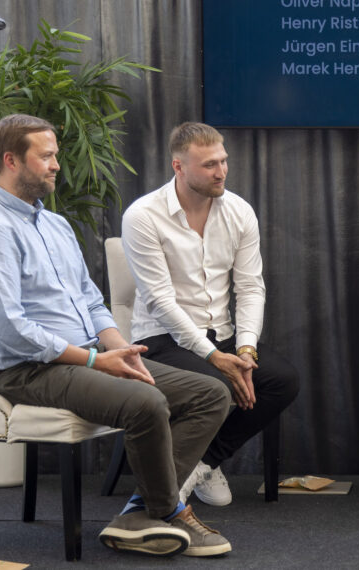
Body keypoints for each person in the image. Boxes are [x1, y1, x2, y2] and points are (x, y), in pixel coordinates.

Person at [0, 114, 232, 557]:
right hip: (24, 369)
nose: (56, 165)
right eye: (45, 156)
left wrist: (121, 349)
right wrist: (93, 361)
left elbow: (91, 301)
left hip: (87, 355)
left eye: (55, 155)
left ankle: (142, 512)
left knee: (211, 393)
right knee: (146, 402)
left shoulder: (56, 226)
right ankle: (170, 512)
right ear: (10, 160)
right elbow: (11, 329)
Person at [121, 122, 300, 507]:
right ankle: (169, 481)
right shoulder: (143, 216)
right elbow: (161, 302)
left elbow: (250, 287)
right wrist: (216, 358)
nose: (220, 172)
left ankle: (204, 461)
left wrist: (247, 352)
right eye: (208, 165)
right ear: (179, 167)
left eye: (223, 161)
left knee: (283, 380)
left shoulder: (239, 211)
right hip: (161, 339)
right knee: (214, 385)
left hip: (223, 333)